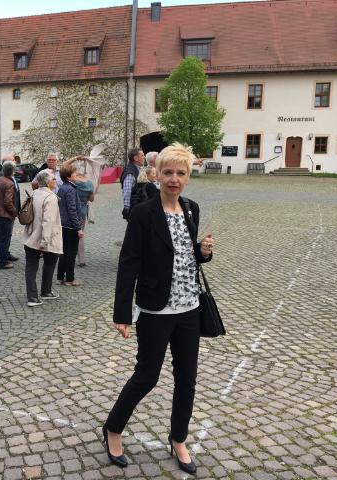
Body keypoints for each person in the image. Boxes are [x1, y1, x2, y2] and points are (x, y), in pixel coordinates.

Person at [102, 143, 215, 474]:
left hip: (189, 308)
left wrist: (203, 252)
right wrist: (122, 313)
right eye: (168, 172)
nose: (174, 179)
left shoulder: (191, 209)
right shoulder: (143, 214)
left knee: (187, 379)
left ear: (188, 176)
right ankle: (113, 429)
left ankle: (178, 439)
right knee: (147, 376)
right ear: (157, 174)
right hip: (155, 310)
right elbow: (129, 263)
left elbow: (186, 255)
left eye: (181, 173)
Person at [23, 169, 63, 307]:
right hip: (46, 238)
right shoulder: (50, 198)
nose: (55, 180)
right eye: (53, 178)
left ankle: (33, 296)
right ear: (47, 182)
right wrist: (44, 242)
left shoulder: (33, 194)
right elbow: (48, 221)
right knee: (50, 262)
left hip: (30, 236)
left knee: (31, 267)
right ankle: (41, 293)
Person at [57, 162, 84, 286]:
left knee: (64, 252)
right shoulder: (71, 190)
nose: (76, 174)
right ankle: (70, 279)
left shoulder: (62, 188)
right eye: (74, 173)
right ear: (68, 177)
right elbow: (72, 210)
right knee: (71, 253)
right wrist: (78, 228)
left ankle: (60, 277)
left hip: (63, 224)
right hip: (71, 226)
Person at [0, 160, 18, 269]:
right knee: (4, 239)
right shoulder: (9, 183)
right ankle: (3, 261)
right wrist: (14, 212)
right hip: (4, 216)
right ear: (12, 171)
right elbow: (8, 202)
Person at [75, 173, 95, 267]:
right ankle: (82, 260)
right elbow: (91, 199)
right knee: (80, 235)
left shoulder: (73, 183)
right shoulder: (89, 184)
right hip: (82, 211)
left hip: (71, 211)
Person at [120, 148, 145, 221]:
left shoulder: (138, 169)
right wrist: (127, 210)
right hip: (134, 208)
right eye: (142, 155)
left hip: (139, 206)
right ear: (136, 158)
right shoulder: (130, 173)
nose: (144, 157)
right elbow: (127, 192)